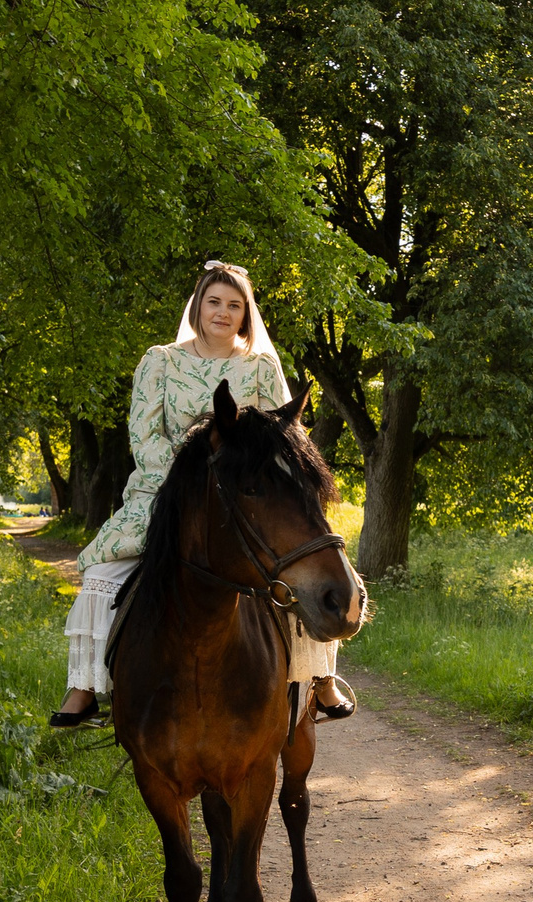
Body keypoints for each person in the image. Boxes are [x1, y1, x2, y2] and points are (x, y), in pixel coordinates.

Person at [53, 261, 357, 728]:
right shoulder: (160, 360)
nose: (223, 312)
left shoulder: (259, 366)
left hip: (248, 493)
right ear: (198, 306)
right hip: (166, 490)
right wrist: (187, 481)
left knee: (303, 558)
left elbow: (284, 433)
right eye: (214, 301)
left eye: (234, 305)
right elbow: (144, 436)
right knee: (102, 571)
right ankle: (86, 687)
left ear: (245, 314)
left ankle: (318, 678)